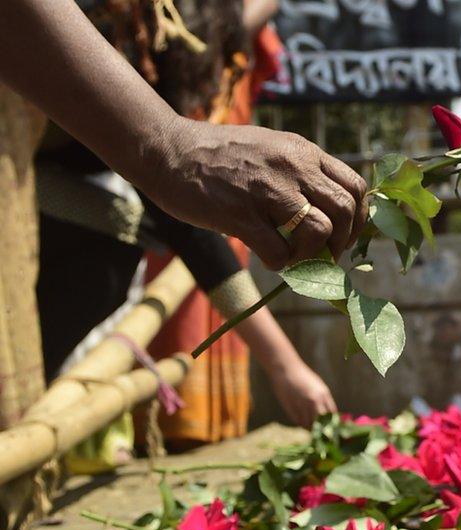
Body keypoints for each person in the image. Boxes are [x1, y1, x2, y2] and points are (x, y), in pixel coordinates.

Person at [0, 0, 367, 433]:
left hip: (52, 199)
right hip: (25, 199)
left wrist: (284, 365)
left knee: (124, 237)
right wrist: (282, 363)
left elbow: (187, 226)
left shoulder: (136, 55)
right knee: (113, 244)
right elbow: (190, 228)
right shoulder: (117, 43)